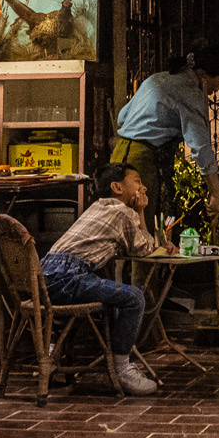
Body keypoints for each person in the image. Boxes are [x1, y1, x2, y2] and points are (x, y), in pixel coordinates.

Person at [40, 161, 166, 397]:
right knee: (134, 297)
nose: (144, 188)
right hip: (68, 277)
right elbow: (143, 249)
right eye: (137, 182)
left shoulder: (97, 207)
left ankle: (51, 356)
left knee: (103, 292)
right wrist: (141, 211)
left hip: (44, 275)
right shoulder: (123, 212)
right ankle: (123, 369)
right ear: (117, 187)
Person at [111, 45, 219, 222]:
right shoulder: (189, 92)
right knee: (139, 223)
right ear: (204, 75)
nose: (217, 88)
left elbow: (122, 117)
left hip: (118, 154)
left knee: (117, 220)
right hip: (142, 162)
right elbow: (201, 147)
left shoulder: (157, 78)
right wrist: (216, 192)